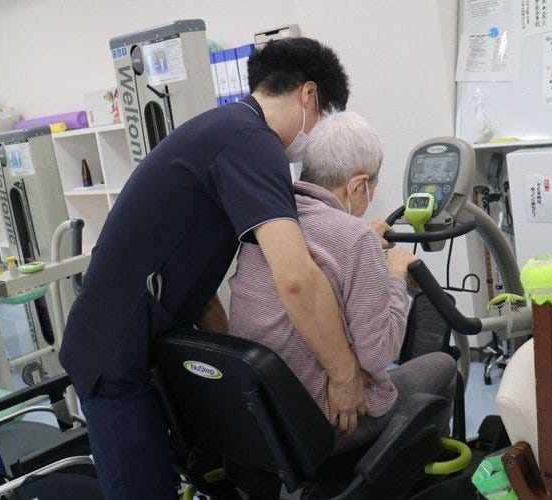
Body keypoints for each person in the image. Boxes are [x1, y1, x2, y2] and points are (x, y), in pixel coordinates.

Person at [59, 38, 367, 499]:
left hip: (139, 345)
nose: (315, 134)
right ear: (308, 95)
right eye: (322, 117)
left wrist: (234, 362)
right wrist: (344, 375)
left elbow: (194, 275)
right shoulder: (253, 143)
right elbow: (295, 278)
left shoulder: (225, 130)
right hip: (114, 358)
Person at [229, 111, 458, 452]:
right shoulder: (354, 238)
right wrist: (395, 272)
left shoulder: (270, 222)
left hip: (261, 422)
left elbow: (323, 250)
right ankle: (412, 469)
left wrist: (364, 239)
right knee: (444, 366)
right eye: (371, 189)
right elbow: (380, 355)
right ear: (356, 186)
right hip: (328, 425)